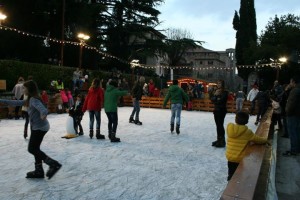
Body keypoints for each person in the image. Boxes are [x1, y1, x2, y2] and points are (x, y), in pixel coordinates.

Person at [0, 80, 62, 179]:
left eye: (24, 88)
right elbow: (16, 102)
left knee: (32, 149)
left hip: (40, 128)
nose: (23, 89)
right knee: (36, 149)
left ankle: (53, 164)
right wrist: (2, 101)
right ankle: (39, 171)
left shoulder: (34, 100)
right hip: (39, 127)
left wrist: (43, 114)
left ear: (29, 89)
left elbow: (43, 109)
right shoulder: (30, 99)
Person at [226, 111, 268, 181]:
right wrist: (265, 140)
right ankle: (235, 183)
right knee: (238, 173)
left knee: (231, 170)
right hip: (239, 158)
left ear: (235, 119)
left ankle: (230, 178)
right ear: (247, 121)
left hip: (230, 156)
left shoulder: (230, 128)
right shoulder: (247, 132)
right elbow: (257, 139)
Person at [283, 76, 300, 156]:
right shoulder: (297, 90)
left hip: (292, 114)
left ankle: (293, 150)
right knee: (297, 132)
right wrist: (287, 90)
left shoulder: (295, 91)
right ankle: (297, 148)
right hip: (297, 114)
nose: (290, 84)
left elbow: (291, 104)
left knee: (293, 132)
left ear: (293, 82)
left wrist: (287, 112)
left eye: (290, 82)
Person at [210, 80, 228, 147]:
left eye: (220, 83)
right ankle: (219, 139)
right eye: (217, 83)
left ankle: (222, 141)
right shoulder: (216, 92)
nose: (218, 84)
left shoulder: (225, 92)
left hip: (221, 110)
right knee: (218, 126)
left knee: (220, 125)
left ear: (222, 84)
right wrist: (215, 95)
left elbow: (220, 101)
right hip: (216, 110)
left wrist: (216, 99)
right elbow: (212, 100)